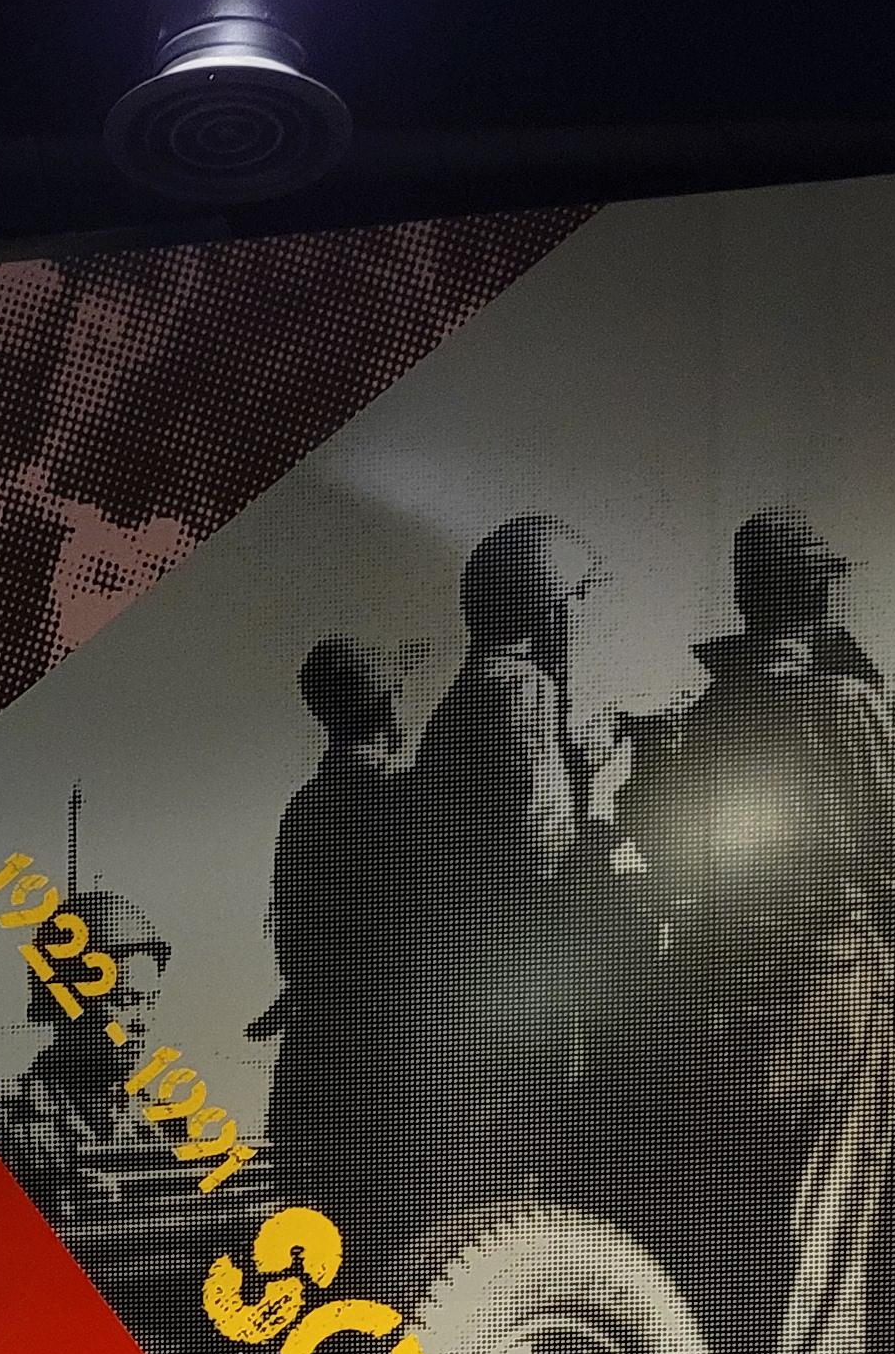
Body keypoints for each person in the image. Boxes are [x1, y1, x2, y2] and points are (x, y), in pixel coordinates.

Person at [617, 506, 895, 1354]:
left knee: (735, 1193)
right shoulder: (841, 704)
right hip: (824, 973)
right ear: (820, 592)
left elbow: (665, 851)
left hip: (717, 980)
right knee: (826, 1192)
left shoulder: (706, 718)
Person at [389, 517, 624, 1241]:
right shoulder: (524, 692)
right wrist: (611, 843)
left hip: (457, 983)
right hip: (519, 985)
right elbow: (538, 852)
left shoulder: (463, 699)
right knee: (516, 1194)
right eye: (577, 599)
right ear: (548, 605)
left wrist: (580, 756)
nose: (582, 618)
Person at [247, 631, 427, 1246]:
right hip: (384, 1081)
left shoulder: (301, 812)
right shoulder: (405, 804)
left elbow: (296, 947)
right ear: (387, 705)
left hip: (310, 1074)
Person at [0, 882, 173, 1224]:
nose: (141, 1022)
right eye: (125, 1001)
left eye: (150, 1002)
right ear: (66, 1006)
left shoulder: (164, 1124)